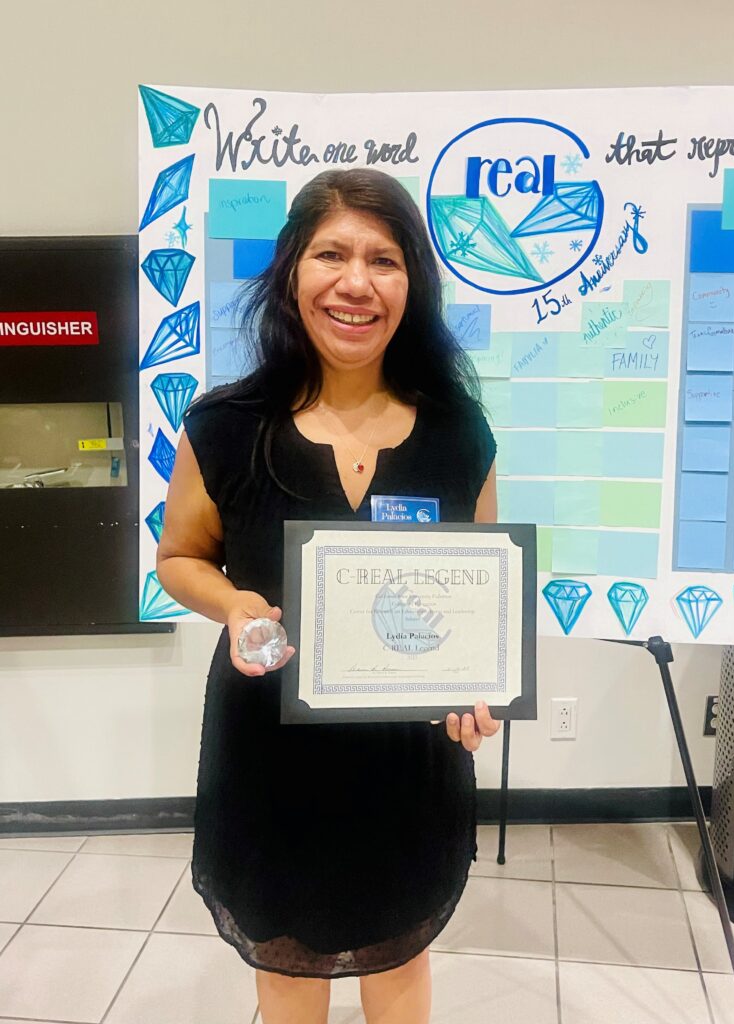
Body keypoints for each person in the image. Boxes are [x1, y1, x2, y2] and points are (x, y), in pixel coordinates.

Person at [156, 167, 500, 1024]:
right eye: (331, 255)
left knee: (399, 960)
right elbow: (179, 558)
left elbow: (478, 590)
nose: (356, 282)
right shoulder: (225, 426)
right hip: (272, 746)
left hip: (407, 750)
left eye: (384, 259)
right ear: (291, 275)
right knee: (290, 968)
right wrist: (234, 604)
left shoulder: (459, 430)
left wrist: (478, 686)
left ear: (412, 282)